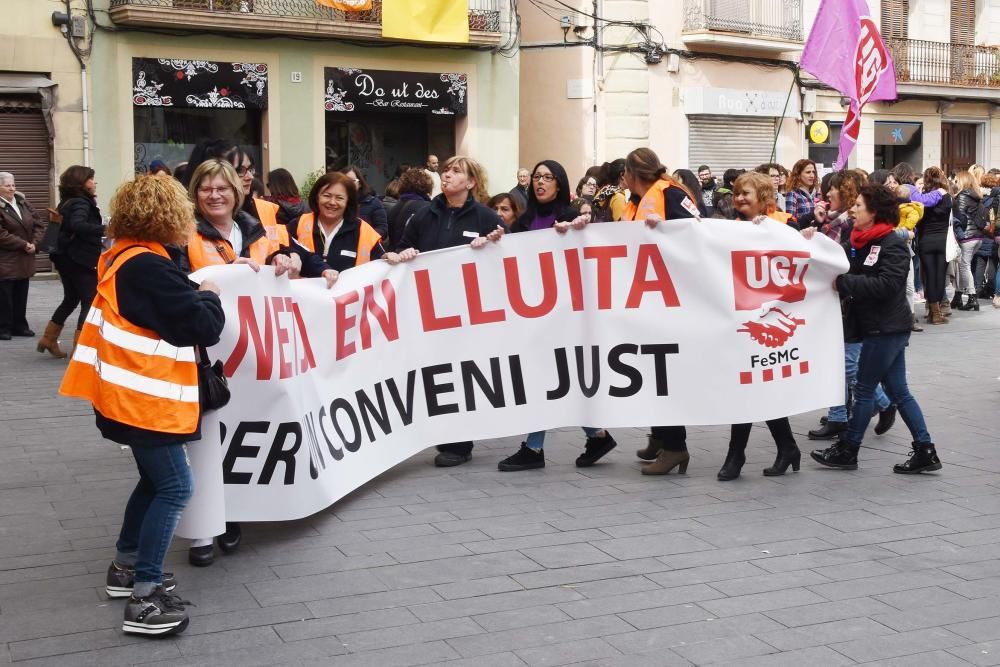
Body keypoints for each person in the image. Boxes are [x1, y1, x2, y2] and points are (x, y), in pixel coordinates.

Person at [59, 174, 226, 636]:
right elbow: (199, 326)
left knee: (154, 483)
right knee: (174, 488)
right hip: (147, 403)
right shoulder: (149, 266)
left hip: (127, 399)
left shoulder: (123, 256)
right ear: (168, 215)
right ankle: (145, 598)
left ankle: (126, 568)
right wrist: (210, 297)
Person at [180, 159, 330, 567]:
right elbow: (176, 280)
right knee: (206, 440)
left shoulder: (259, 229)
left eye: (222, 188)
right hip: (205, 354)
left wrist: (294, 263)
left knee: (245, 434)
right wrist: (227, 274)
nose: (215, 195)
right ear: (195, 194)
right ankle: (202, 530)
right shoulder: (183, 234)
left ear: (237, 192)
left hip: (255, 356)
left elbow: (299, 259)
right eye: (206, 189)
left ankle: (234, 512)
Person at [809, 185, 942, 475]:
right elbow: (832, 257)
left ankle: (848, 449)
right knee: (898, 390)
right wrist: (810, 238)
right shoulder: (859, 241)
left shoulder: (892, 243)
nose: (852, 210)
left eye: (858, 205)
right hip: (876, 326)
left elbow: (887, 285)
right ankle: (925, 450)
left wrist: (844, 284)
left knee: (865, 387)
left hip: (887, 327)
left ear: (874, 211)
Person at [497, 160, 617, 472]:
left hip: (565, 312)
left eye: (548, 178)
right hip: (533, 311)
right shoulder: (524, 221)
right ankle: (597, 435)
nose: (540, 182)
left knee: (545, 378)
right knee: (557, 379)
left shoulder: (571, 215)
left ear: (559, 184)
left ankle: (534, 448)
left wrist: (579, 228)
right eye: (537, 177)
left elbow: (591, 245)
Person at [385, 156, 504, 468]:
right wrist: (404, 254)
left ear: (471, 183)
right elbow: (398, 249)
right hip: (430, 310)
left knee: (460, 373)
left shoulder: (485, 217)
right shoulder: (426, 214)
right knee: (434, 373)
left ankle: (459, 442)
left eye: (456, 172)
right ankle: (442, 434)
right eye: (447, 170)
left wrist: (492, 245)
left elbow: (507, 257)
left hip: (467, 312)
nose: (447, 175)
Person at [618, 148, 702, 475]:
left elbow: (697, 232)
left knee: (660, 373)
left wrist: (665, 232)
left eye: (624, 172)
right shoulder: (635, 202)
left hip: (668, 299)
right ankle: (659, 435)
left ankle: (675, 446)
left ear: (633, 172)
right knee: (647, 371)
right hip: (642, 297)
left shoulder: (671, 195)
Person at [717, 171, 801, 480]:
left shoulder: (786, 223)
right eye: (737, 193)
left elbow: (802, 257)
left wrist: (769, 233)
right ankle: (786, 446)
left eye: (746, 193)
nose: (738, 198)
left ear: (763, 198)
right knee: (755, 385)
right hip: (741, 318)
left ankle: (736, 455)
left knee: (754, 386)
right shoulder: (730, 228)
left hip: (774, 319)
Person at [39, 166, 103, 357]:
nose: (94, 183)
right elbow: (78, 224)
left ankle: (49, 339)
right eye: (91, 179)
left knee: (71, 299)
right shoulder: (81, 203)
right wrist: (105, 229)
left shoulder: (66, 201)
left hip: (64, 258)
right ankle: (81, 350)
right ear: (81, 183)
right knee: (89, 300)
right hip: (79, 259)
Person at [287, 171, 384, 272]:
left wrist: (390, 258)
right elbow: (276, 250)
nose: (332, 202)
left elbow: (381, 264)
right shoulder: (298, 224)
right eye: (327, 196)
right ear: (317, 197)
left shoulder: (363, 231)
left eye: (339, 198)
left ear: (348, 202)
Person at [0, 172, 45, 341]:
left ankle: (19, 325)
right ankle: (3, 327)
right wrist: (23, 244)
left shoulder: (22, 202)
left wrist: (35, 242)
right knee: (4, 295)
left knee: (21, 292)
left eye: (13, 185)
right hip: (6, 258)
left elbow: (38, 224)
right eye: (7, 185)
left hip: (24, 257)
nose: (11, 189)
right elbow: (1, 234)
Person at [909, 167, 952, 324]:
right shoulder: (946, 196)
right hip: (942, 241)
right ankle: (937, 313)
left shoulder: (922, 197)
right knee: (940, 276)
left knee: (928, 276)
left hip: (926, 240)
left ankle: (933, 311)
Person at [952, 169, 985, 312]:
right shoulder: (976, 195)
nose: (954, 182)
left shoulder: (962, 196)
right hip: (977, 236)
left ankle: (972, 298)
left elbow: (960, 218)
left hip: (967, 236)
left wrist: (958, 235)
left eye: (956, 180)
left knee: (964, 266)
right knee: (963, 266)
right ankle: (958, 296)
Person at [387, 168, 434, 250]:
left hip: (395, 255)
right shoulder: (426, 208)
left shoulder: (395, 206)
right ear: (427, 186)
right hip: (415, 257)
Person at [341, 164, 388, 239]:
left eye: (351, 181)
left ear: (359, 184)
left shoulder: (373, 203)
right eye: (344, 181)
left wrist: (362, 237)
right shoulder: (336, 203)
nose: (347, 184)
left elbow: (382, 229)